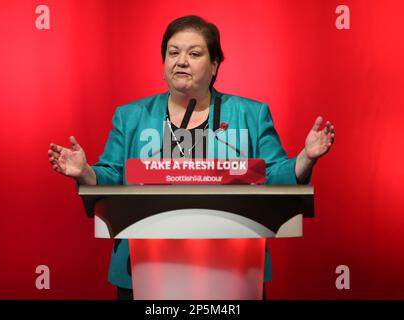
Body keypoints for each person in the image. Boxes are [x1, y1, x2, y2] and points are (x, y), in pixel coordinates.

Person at [48, 15, 335, 300]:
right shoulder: (131, 116)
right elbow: (112, 176)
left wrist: (305, 158)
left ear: (214, 66)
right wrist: (85, 172)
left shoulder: (250, 114)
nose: (181, 61)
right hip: (145, 267)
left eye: (194, 53)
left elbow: (273, 175)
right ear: (163, 66)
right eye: (173, 53)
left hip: (233, 270)